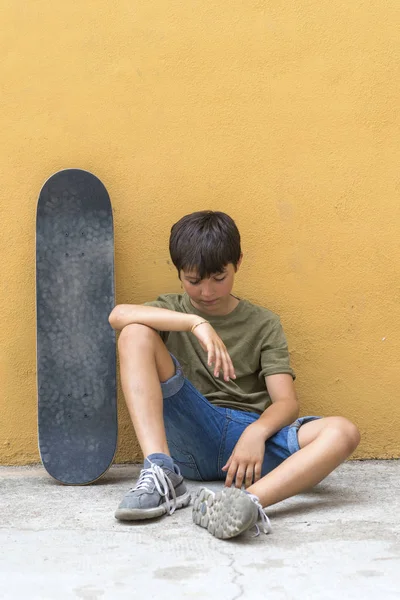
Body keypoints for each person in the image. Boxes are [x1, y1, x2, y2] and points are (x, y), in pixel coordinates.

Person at [108, 211, 360, 540]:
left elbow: (286, 403)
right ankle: (162, 471)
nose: (207, 291)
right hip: (190, 430)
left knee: (344, 432)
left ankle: (244, 503)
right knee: (134, 333)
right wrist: (195, 323)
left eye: (218, 277)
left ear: (237, 263)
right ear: (179, 273)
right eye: (193, 280)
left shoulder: (264, 323)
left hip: (250, 447)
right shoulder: (173, 310)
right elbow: (118, 315)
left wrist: (256, 434)